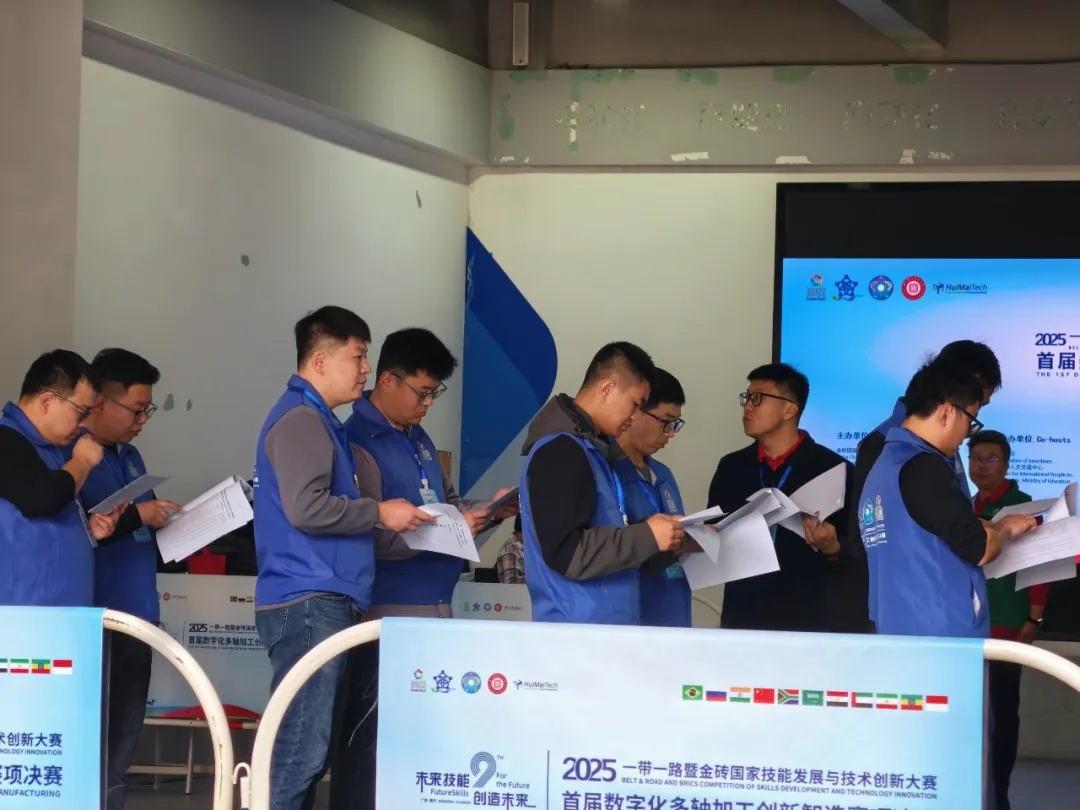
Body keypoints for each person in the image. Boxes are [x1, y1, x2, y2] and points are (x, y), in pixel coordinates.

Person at [253, 307, 431, 810]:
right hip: (310, 598)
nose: (365, 369)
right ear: (319, 360)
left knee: (312, 748)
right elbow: (306, 507)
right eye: (357, 357)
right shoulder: (302, 419)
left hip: (325, 597)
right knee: (301, 750)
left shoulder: (320, 420)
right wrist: (380, 511)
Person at [332, 327, 515, 810]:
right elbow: (369, 536)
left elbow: (448, 505)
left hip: (434, 608)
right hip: (384, 616)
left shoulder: (417, 437)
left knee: (416, 746)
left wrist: (490, 510)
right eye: (422, 392)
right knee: (368, 744)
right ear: (388, 380)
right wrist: (444, 531)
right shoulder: (356, 442)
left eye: (436, 393)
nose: (428, 404)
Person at [858, 361, 1037, 638]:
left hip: (899, 626)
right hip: (940, 632)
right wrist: (1006, 528)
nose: (967, 435)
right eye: (970, 421)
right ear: (946, 412)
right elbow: (980, 549)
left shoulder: (884, 464)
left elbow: (920, 532)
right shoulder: (925, 466)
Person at [519, 342, 688, 625]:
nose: (634, 416)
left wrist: (660, 536)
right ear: (607, 388)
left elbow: (601, 539)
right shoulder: (561, 450)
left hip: (604, 628)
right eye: (635, 404)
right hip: (577, 632)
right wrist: (647, 535)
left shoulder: (595, 451)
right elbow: (568, 553)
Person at [80, 349, 180, 810]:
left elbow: (140, 527)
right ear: (99, 402)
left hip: (140, 615)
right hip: (97, 618)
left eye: (147, 411)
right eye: (136, 410)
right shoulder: (74, 457)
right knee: (88, 737)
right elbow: (80, 528)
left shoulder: (131, 455)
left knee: (122, 739)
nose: (142, 421)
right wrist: (138, 515)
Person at [707, 363, 861, 632]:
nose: (748, 407)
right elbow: (712, 533)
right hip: (743, 614)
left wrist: (834, 547)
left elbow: (860, 549)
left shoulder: (834, 469)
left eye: (758, 398)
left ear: (790, 409)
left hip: (810, 618)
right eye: (746, 397)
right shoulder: (732, 467)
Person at [0, 350, 124, 607]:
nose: (84, 424)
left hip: (64, 612)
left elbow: (47, 513)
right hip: (26, 615)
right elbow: (42, 499)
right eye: (82, 412)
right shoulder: (7, 440)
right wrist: (83, 462)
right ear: (47, 401)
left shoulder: (52, 450)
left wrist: (88, 529)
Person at [851, 340, 1002, 535]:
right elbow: (867, 535)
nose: (969, 425)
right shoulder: (882, 445)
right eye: (977, 404)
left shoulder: (943, 438)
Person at [969, 430, 1045, 810]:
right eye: (975, 458)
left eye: (991, 459)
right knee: (971, 715)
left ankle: (999, 796)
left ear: (1007, 465)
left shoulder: (1023, 507)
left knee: (1001, 716)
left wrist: (1034, 619)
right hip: (966, 628)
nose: (981, 466)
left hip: (1006, 628)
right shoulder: (963, 506)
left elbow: (1040, 569)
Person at [613, 367, 691, 628]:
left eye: (675, 424)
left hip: (674, 610)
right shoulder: (607, 472)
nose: (670, 433)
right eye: (665, 421)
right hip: (632, 618)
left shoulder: (663, 474)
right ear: (635, 410)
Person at [496, 517, 525, 585]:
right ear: (518, 534)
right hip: (518, 591)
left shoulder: (537, 546)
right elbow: (511, 584)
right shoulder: (511, 550)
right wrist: (537, 577)